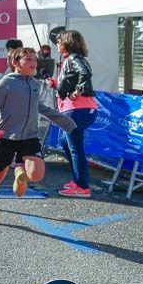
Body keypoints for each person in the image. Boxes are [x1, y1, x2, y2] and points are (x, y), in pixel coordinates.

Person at [0, 47, 76, 224]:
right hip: (5, 135)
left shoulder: (36, 84)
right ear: (15, 63)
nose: (33, 63)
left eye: (35, 60)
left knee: (37, 174)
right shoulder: (7, 82)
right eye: (28, 59)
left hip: (29, 136)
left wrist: (67, 123)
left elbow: (42, 108)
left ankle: (21, 175)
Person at [53, 30, 98, 198]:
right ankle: (79, 180)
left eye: (59, 42)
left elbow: (85, 73)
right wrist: (57, 85)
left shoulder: (74, 58)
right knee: (65, 142)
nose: (57, 45)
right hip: (76, 109)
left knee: (75, 148)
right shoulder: (69, 60)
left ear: (66, 43)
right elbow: (71, 80)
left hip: (77, 109)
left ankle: (82, 186)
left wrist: (77, 91)